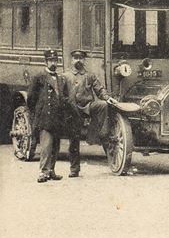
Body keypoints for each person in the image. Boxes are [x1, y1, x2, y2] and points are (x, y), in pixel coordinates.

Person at [65, 49, 116, 178]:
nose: (78, 60)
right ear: (72, 60)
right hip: (73, 110)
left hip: (87, 107)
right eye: (75, 58)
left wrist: (106, 97)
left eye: (80, 58)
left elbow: (100, 89)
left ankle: (100, 133)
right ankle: (74, 169)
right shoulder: (65, 76)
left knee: (103, 105)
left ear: (84, 60)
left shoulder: (90, 76)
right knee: (73, 141)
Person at [28, 49, 69, 183]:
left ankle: (51, 170)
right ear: (45, 62)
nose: (53, 63)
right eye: (50, 60)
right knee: (46, 146)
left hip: (57, 118)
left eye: (55, 60)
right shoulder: (39, 77)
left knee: (55, 146)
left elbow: (64, 97)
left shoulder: (60, 79)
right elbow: (31, 98)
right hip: (45, 117)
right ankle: (43, 172)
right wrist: (38, 112)